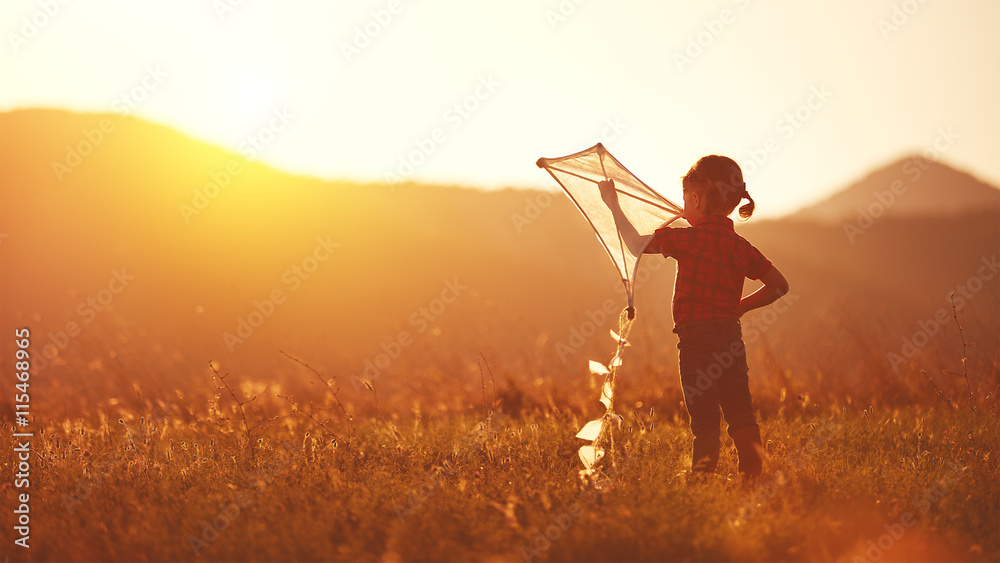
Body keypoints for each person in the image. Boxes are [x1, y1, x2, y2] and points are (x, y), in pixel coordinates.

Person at [597, 155, 789, 480]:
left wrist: (613, 204)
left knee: (704, 416)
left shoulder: (687, 239)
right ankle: (754, 476)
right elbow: (780, 286)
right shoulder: (741, 247)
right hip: (731, 339)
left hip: (696, 340)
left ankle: (702, 477)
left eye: (685, 199)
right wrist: (740, 307)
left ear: (697, 198)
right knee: (740, 410)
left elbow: (634, 244)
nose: (682, 207)